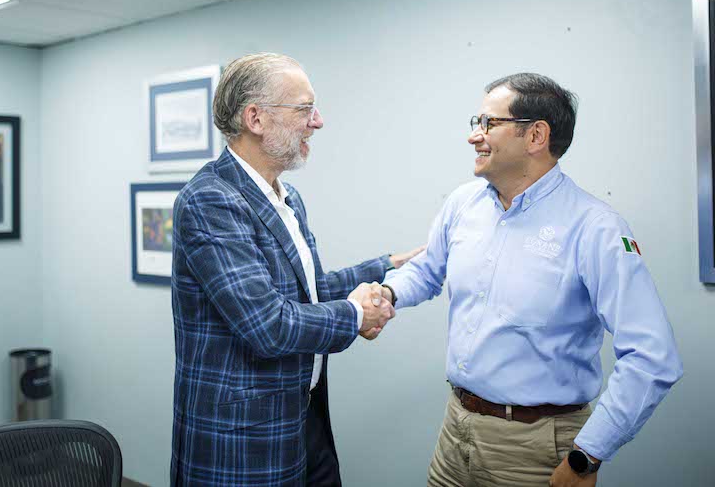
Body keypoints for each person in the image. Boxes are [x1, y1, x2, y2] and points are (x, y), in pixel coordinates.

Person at [381, 73, 683, 487]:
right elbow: (429, 268)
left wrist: (586, 457)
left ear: (536, 135)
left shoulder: (596, 228)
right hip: (456, 432)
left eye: (488, 123)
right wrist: (386, 293)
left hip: (536, 449)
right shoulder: (463, 203)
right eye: (476, 122)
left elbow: (652, 357)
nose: (474, 136)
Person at [170, 52, 422, 487]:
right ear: (255, 118)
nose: (317, 121)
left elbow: (304, 291)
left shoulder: (287, 198)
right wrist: (358, 315)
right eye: (304, 108)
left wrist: (386, 266)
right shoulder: (211, 200)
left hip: (303, 417)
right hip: (244, 438)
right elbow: (269, 324)